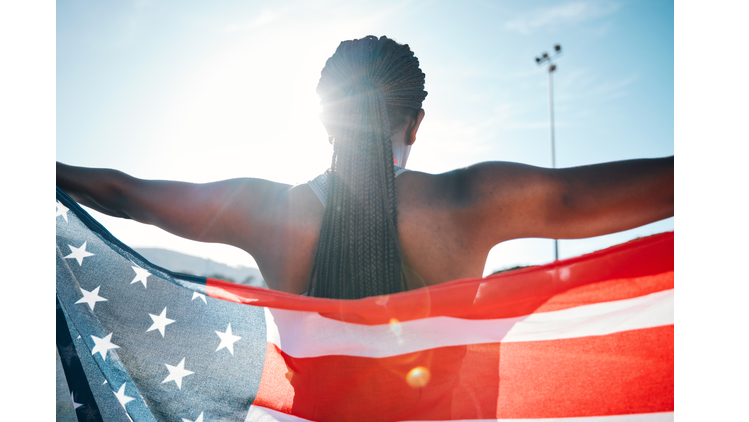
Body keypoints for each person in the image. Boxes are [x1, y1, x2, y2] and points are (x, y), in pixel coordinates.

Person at [56, 35, 673, 300]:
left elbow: (124, 193)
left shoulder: (265, 212)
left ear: (326, 122)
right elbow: (612, 193)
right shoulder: (471, 200)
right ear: (415, 124)